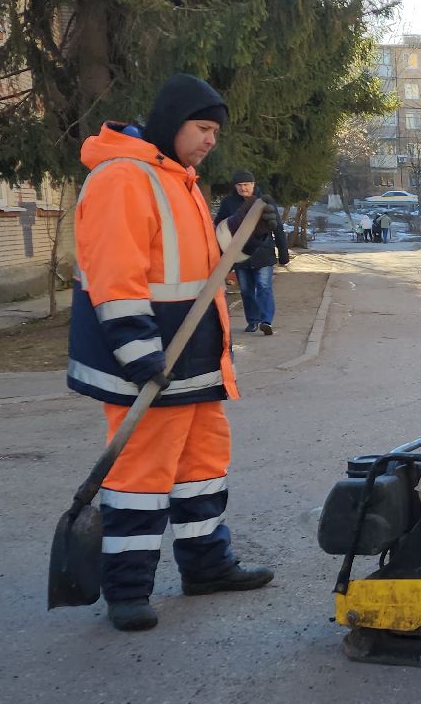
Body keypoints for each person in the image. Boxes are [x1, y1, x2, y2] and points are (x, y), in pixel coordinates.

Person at [67, 73, 275, 632]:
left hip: (193, 362)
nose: (211, 141)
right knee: (140, 477)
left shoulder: (178, 180)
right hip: (149, 364)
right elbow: (116, 277)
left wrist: (249, 239)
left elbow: (200, 269)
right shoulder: (122, 179)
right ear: (173, 121)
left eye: (215, 132)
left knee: (202, 470)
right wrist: (138, 354)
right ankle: (128, 591)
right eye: (203, 128)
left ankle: (206, 566)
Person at [213, 170, 288, 335]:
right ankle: (253, 321)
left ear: (253, 184)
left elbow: (278, 226)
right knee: (246, 290)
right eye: (239, 185)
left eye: (246, 184)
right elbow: (219, 226)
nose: (243, 188)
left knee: (264, 286)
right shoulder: (228, 203)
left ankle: (266, 321)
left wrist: (283, 252)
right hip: (239, 255)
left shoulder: (264, 202)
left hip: (263, 252)